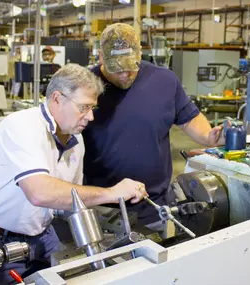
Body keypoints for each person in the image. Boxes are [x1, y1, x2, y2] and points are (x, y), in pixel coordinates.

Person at [0, 63, 147, 284]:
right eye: (83, 107)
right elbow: (40, 193)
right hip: (1, 242)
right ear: (57, 98)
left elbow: (68, 198)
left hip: (44, 236)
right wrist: (112, 193)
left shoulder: (76, 140)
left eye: (92, 108)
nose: (90, 117)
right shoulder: (22, 126)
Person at [82, 23, 226, 229]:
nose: (124, 74)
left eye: (130, 68)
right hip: (102, 210)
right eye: (117, 69)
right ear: (101, 57)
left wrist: (207, 136)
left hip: (155, 207)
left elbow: (188, 118)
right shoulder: (85, 87)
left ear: (140, 52)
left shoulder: (164, 81)